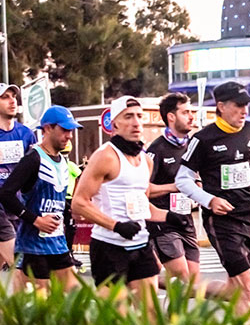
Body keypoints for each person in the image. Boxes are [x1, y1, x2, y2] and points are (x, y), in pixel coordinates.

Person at [73, 96, 189, 308]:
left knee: (150, 315)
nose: (136, 122)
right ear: (115, 123)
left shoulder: (146, 160)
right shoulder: (105, 156)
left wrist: (170, 217)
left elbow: (144, 206)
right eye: (128, 117)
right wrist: (116, 226)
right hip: (109, 247)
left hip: (140, 245)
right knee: (116, 319)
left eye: (139, 116)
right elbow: (79, 203)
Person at [176, 82, 250, 319]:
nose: (244, 111)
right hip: (220, 221)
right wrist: (209, 200)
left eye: (246, 106)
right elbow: (183, 179)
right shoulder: (203, 139)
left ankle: (187, 289)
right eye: (238, 106)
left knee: (234, 289)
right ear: (221, 106)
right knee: (247, 288)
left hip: (246, 217)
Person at [0, 106, 82, 291]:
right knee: (40, 306)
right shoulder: (33, 159)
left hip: (58, 244)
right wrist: (36, 220)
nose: (69, 135)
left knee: (75, 297)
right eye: (64, 130)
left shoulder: (63, 161)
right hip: (33, 247)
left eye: (71, 130)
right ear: (47, 129)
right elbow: (6, 194)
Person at [146, 93, 200, 283]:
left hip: (186, 220)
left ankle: (144, 281)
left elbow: (197, 179)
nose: (191, 116)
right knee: (182, 275)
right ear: (171, 117)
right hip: (163, 222)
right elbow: (145, 189)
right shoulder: (156, 150)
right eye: (185, 112)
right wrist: (174, 187)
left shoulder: (192, 147)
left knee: (191, 282)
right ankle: (142, 281)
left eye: (191, 111)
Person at [0, 83, 37, 270]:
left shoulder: (26, 134)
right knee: (20, 263)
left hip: (17, 205)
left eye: (13, 96)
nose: (12, 100)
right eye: (5, 97)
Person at [61, 140, 83, 270]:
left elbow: (80, 177)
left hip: (67, 198)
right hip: (64, 197)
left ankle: (68, 252)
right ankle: (66, 253)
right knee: (66, 228)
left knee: (70, 227)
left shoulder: (71, 165)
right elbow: (80, 177)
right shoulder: (70, 165)